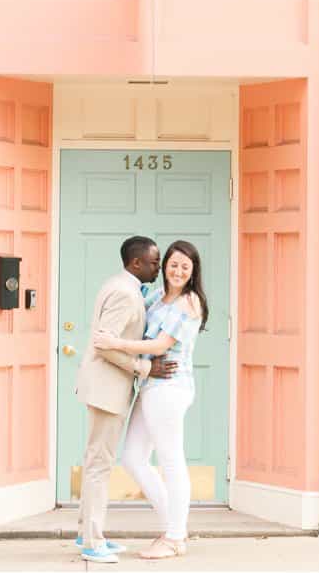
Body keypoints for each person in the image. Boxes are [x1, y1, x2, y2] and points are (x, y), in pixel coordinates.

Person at [92, 239, 209, 560]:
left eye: (186, 266)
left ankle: (173, 536)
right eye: (173, 264)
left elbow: (159, 346)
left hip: (170, 387)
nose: (178, 271)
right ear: (164, 266)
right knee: (132, 458)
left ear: (193, 271)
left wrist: (114, 343)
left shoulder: (189, 302)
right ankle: (175, 527)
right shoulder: (157, 297)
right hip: (151, 387)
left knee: (171, 459)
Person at [74, 235, 175, 564]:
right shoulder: (123, 292)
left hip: (108, 388)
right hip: (106, 390)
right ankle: (92, 541)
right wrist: (143, 366)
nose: (158, 268)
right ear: (136, 263)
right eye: (154, 262)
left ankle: (84, 533)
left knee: (95, 462)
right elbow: (105, 345)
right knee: (99, 466)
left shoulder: (123, 286)